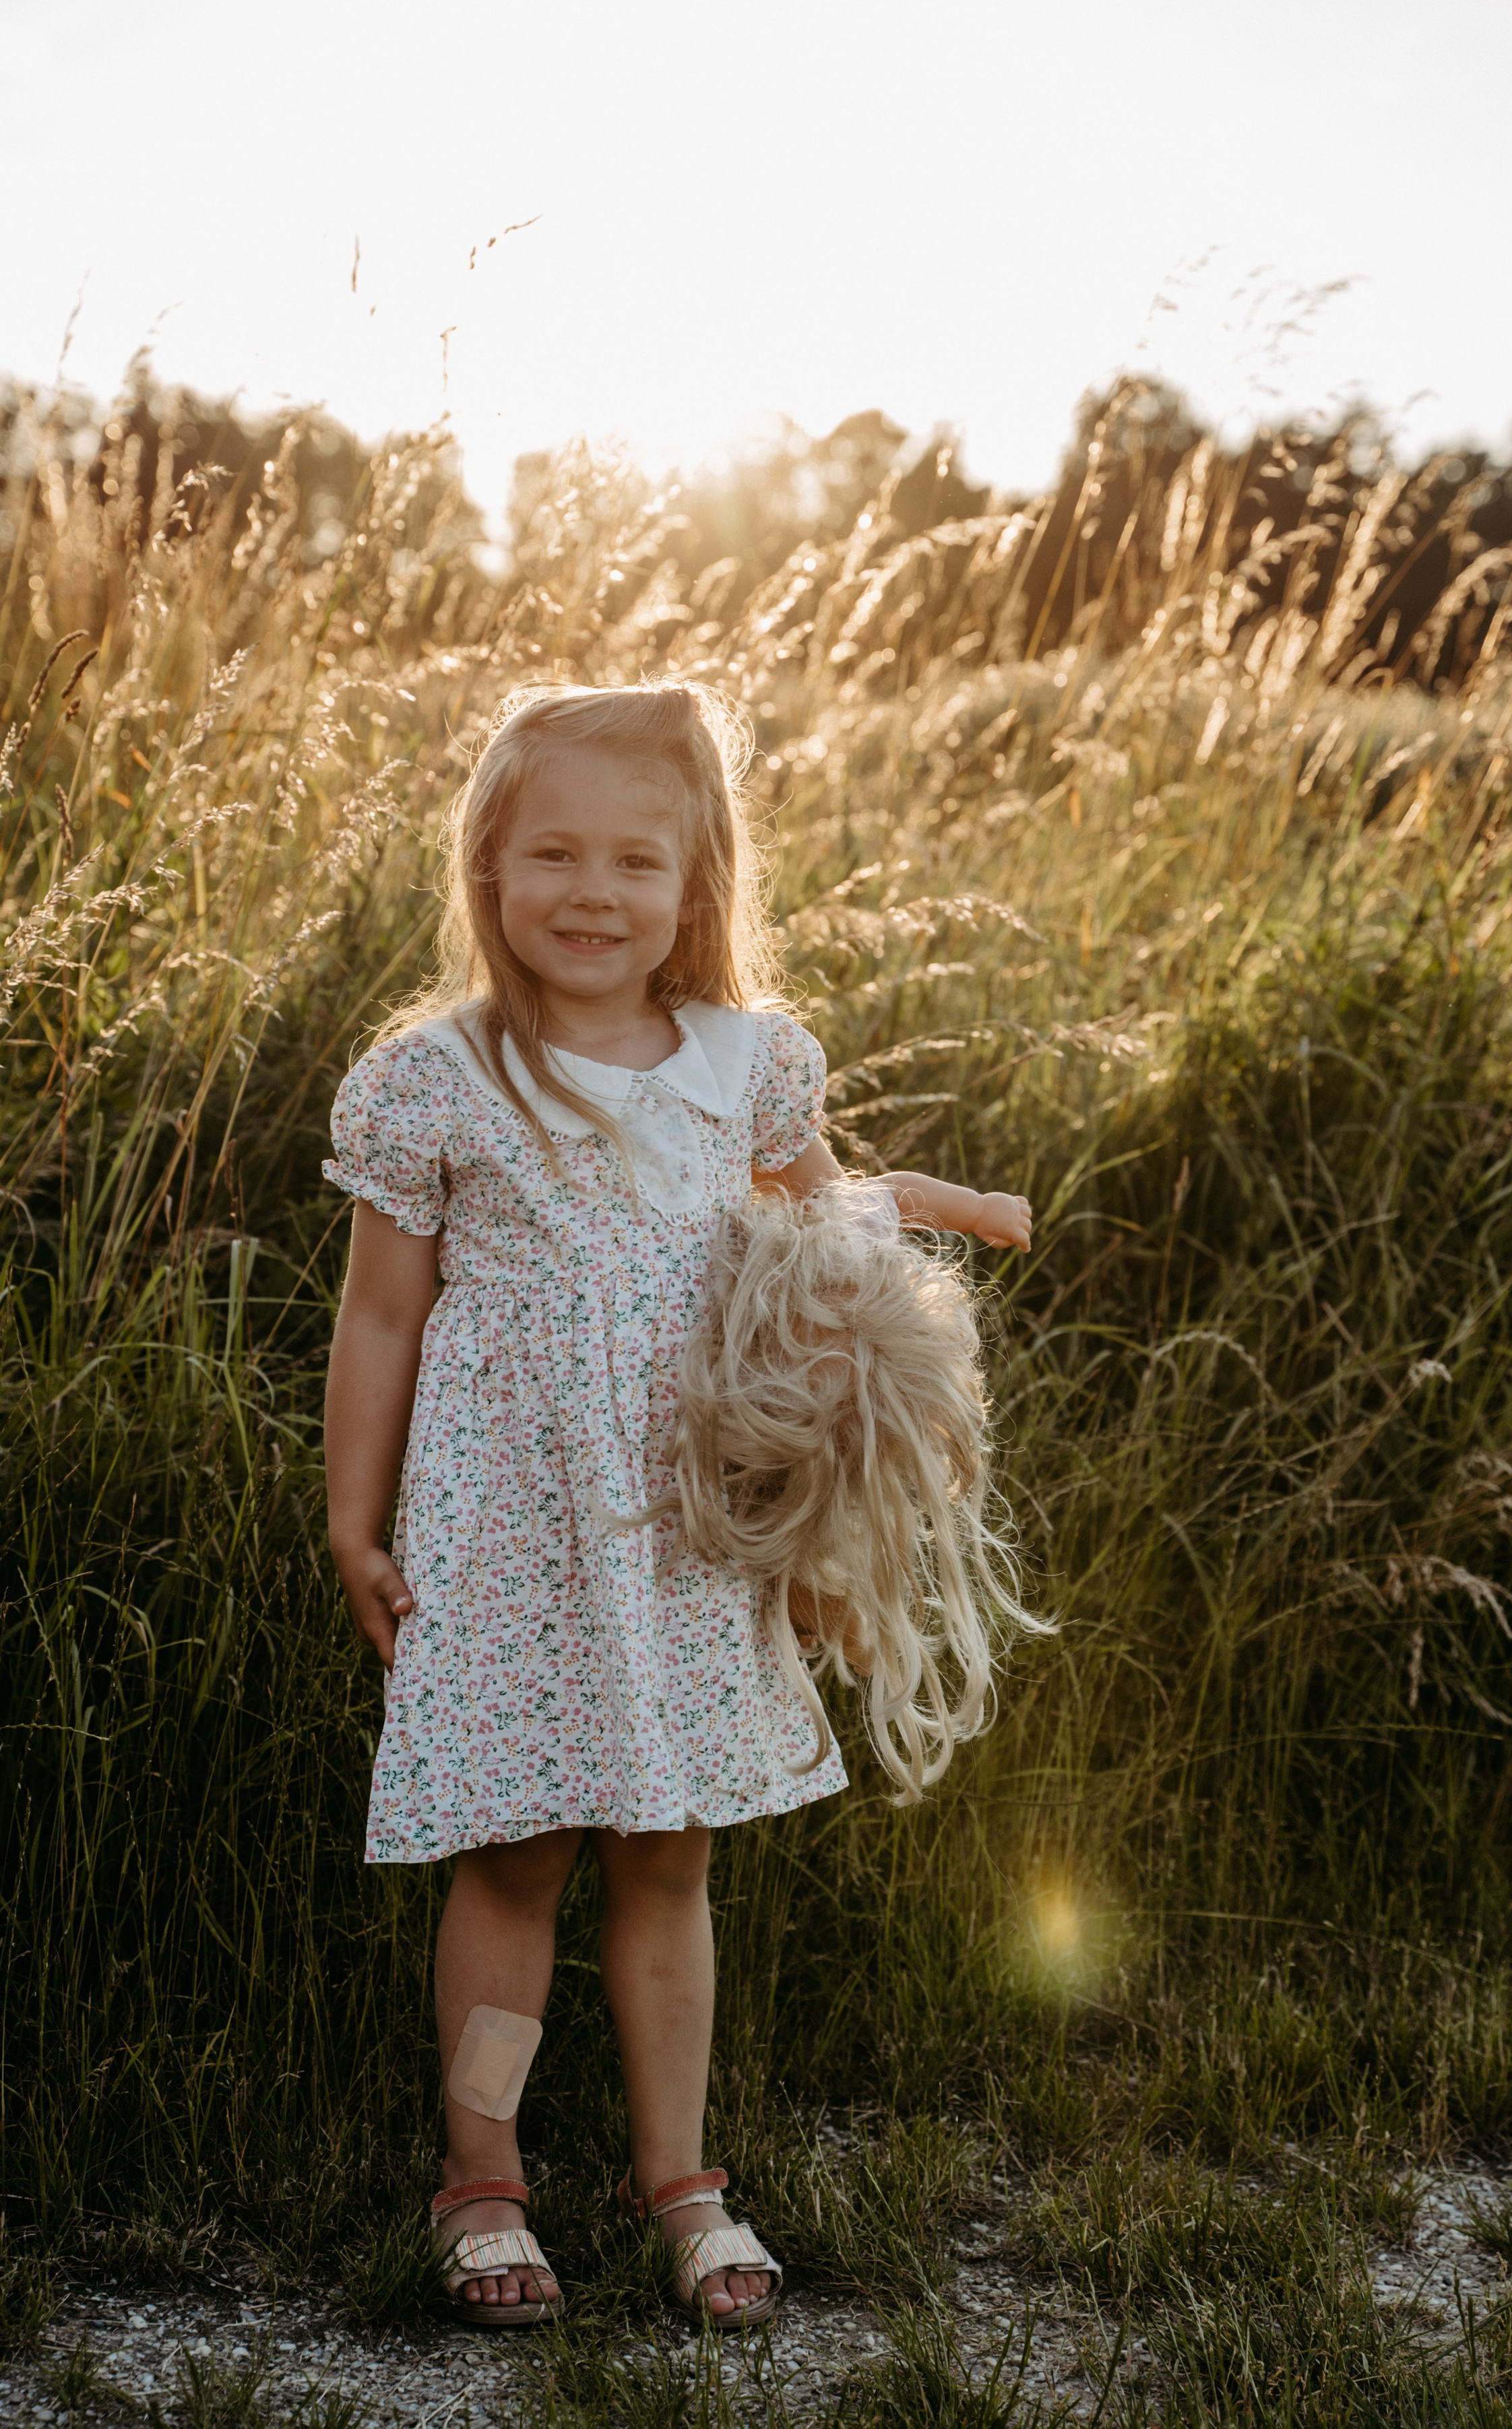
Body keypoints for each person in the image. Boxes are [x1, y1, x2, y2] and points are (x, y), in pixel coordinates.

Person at [322, 682, 1033, 2329]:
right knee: (513, 1853)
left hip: (687, 1531)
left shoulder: (746, 1062)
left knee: (667, 1851)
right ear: (487, 865)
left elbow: (811, 1242)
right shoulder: (440, 1077)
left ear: (695, 879)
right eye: (553, 853)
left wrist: (930, 1204)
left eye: (635, 859)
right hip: (508, 1531)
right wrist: (354, 1522)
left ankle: (681, 2182)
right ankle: (483, 2179)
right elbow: (381, 1314)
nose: (593, 891)